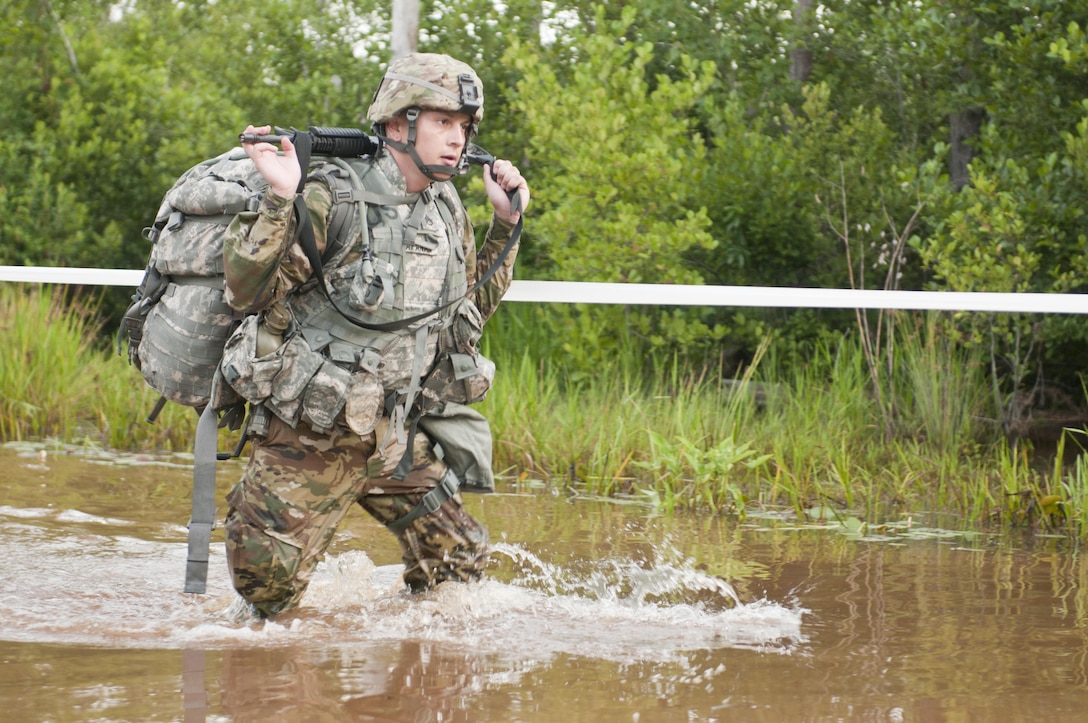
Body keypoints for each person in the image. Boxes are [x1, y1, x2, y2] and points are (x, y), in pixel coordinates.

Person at [217, 52, 529, 617]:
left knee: (458, 562)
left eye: (463, 127)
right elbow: (245, 292)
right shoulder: (331, 195)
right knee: (266, 597)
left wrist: (504, 226)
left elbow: (465, 311)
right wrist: (279, 198)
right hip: (310, 440)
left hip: (390, 438)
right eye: (442, 122)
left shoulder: (447, 206)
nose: (457, 140)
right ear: (396, 123)